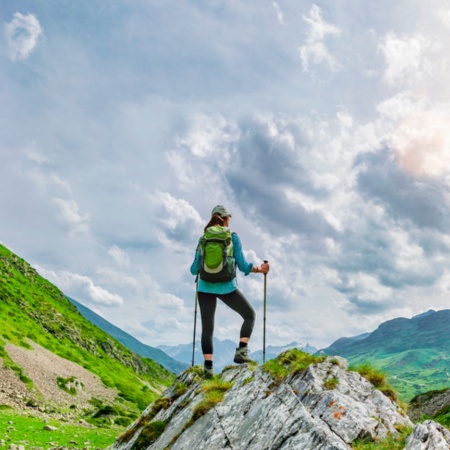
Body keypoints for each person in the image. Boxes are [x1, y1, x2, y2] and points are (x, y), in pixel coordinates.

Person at [190, 205, 270, 378]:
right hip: (227, 286)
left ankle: (208, 370)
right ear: (226, 219)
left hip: (204, 288)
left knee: (207, 329)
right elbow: (242, 265)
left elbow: (194, 269)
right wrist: (260, 269)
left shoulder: (203, 239)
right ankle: (241, 351)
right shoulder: (232, 237)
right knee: (249, 315)